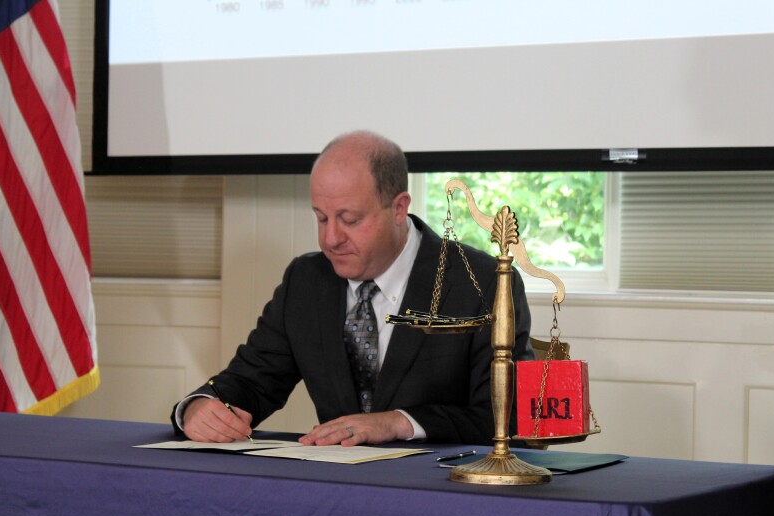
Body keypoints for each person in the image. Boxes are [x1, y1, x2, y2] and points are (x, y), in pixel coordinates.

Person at [170, 130, 535, 446]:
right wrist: (198, 408)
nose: (331, 238)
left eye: (349, 219)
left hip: (443, 497)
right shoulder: (306, 280)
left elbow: (510, 419)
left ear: (398, 208)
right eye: (321, 218)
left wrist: (398, 422)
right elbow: (250, 382)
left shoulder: (482, 282)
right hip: (335, 495)